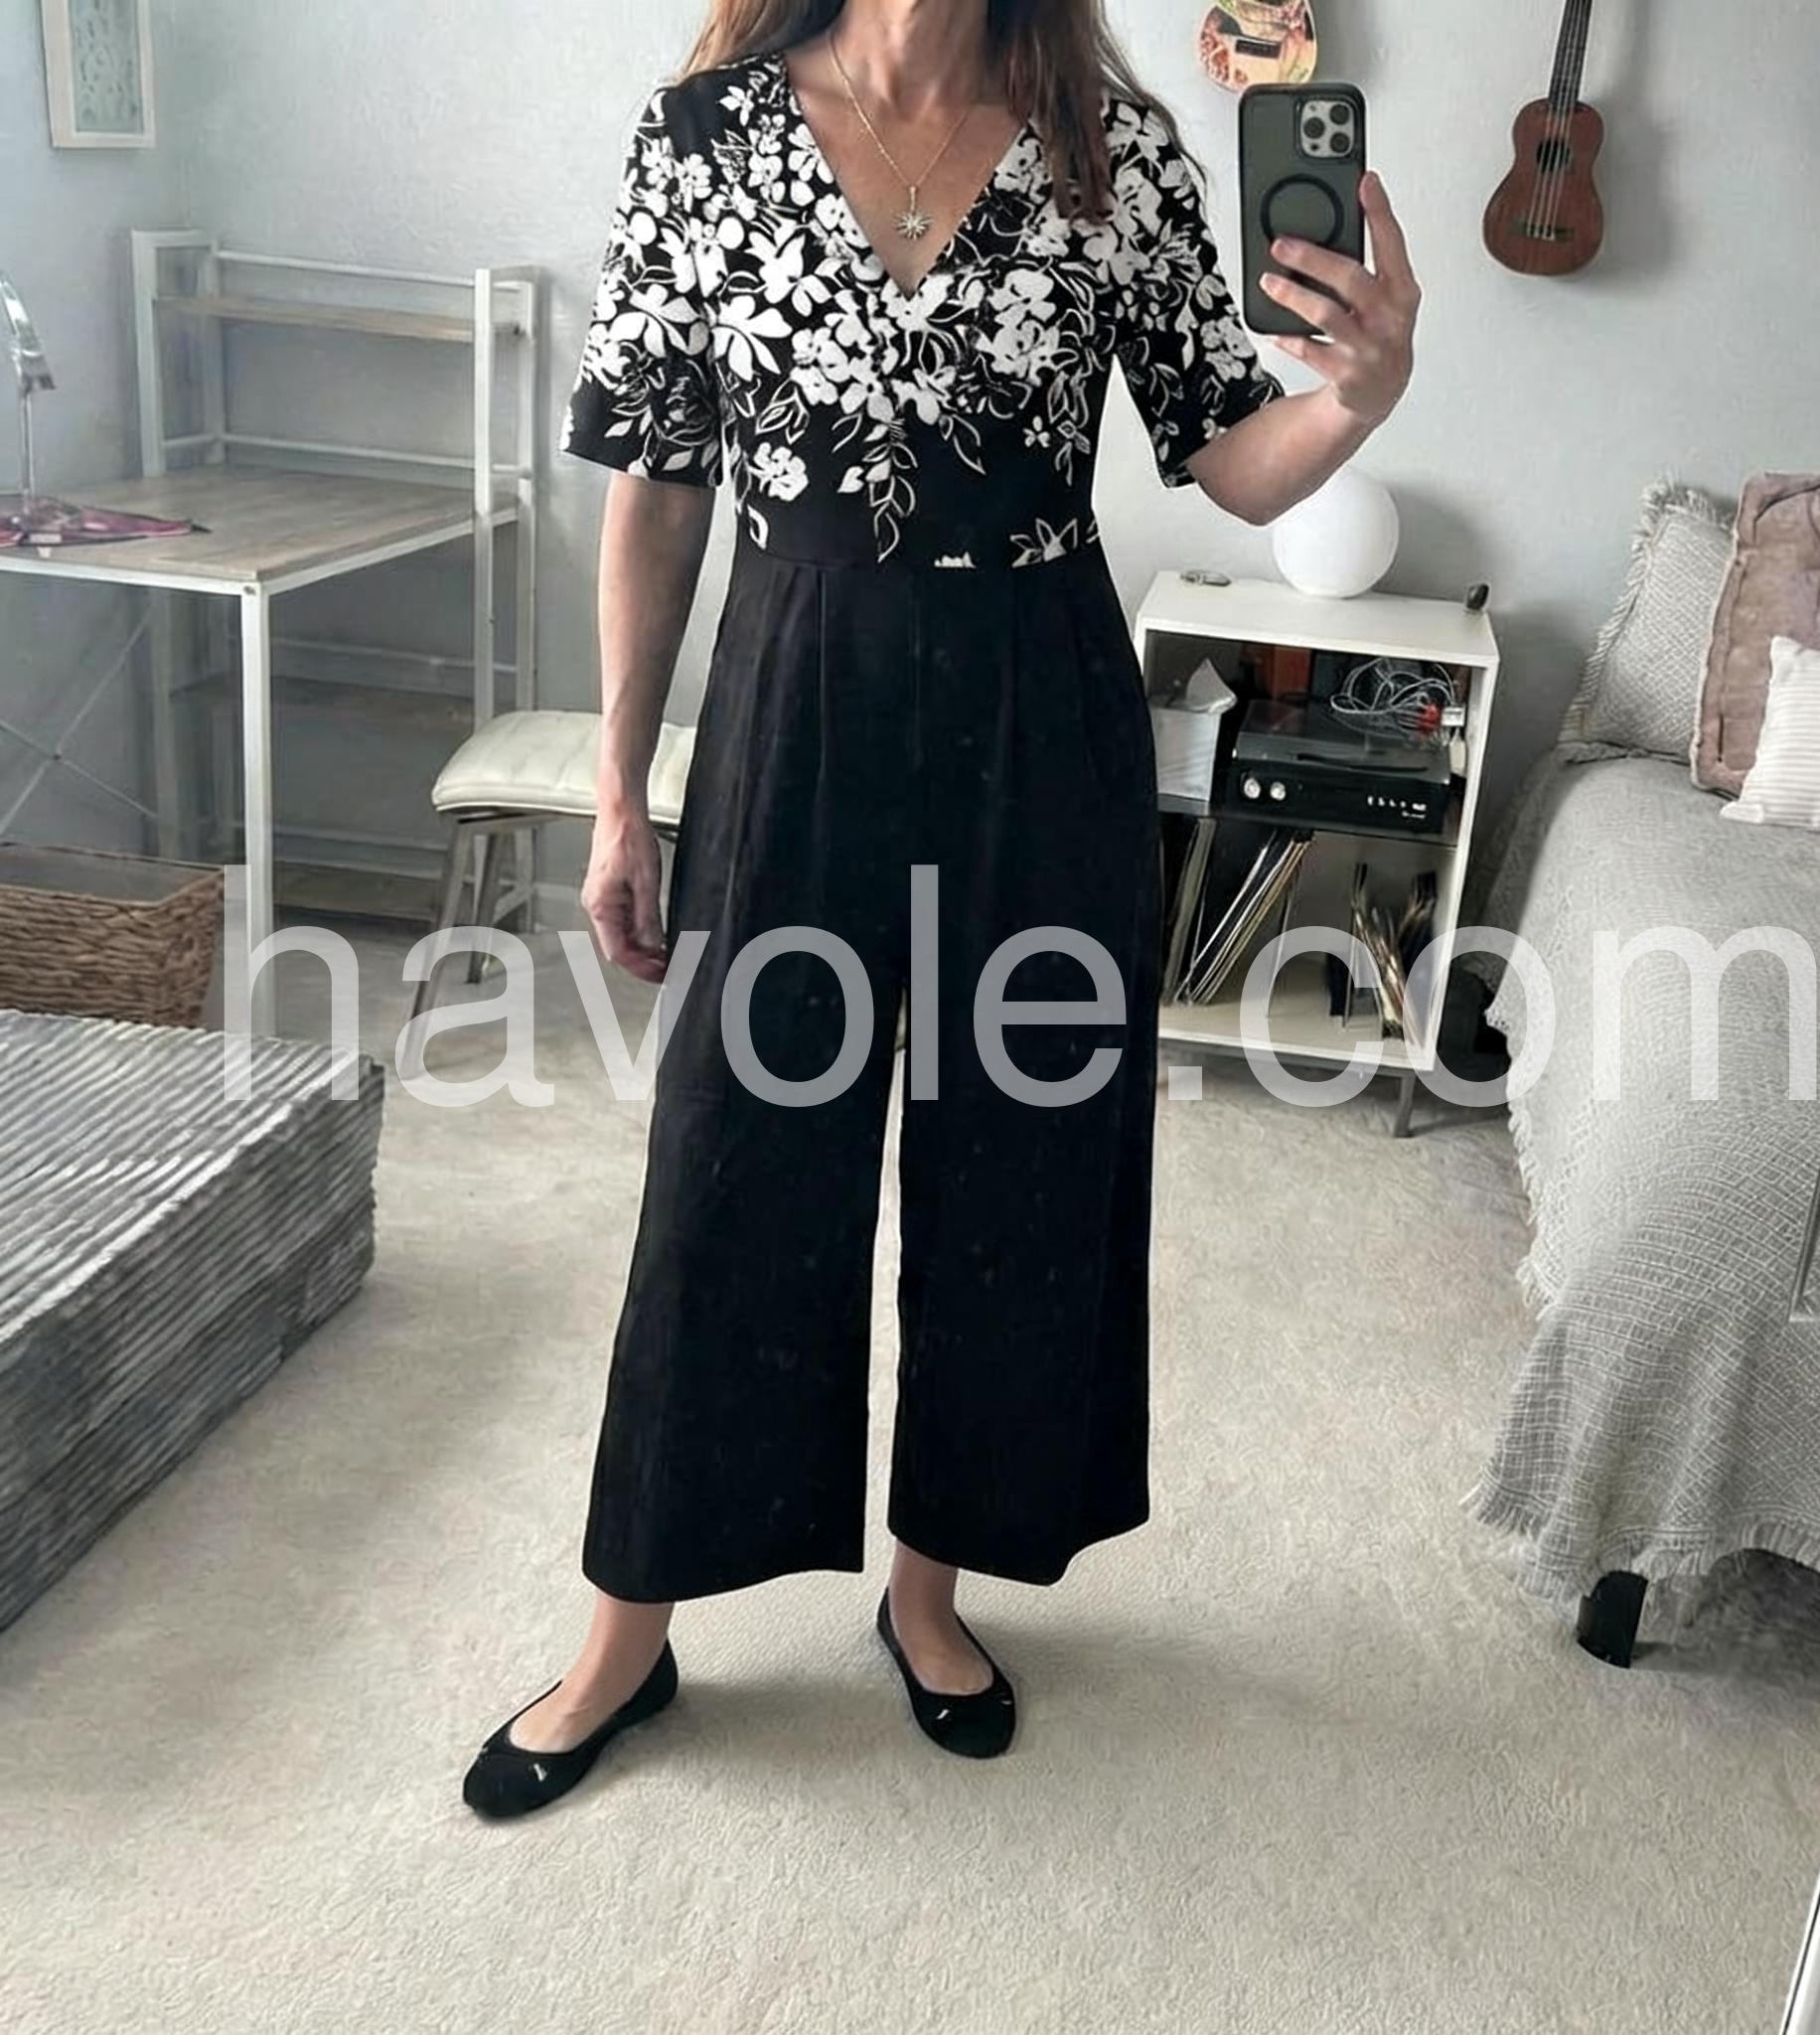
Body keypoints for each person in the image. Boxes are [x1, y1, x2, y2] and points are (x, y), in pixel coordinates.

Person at [464, 0, 1418, 1816]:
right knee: (730, 1160)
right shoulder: (707, 138)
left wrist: (1358, 397)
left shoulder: (1110, 148)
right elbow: (658, 490)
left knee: (1022, 1167)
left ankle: (928, 1591)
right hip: (793, 694)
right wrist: (619, 786)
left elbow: (1229, 453)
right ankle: (628, 1632)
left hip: (1039, 706)